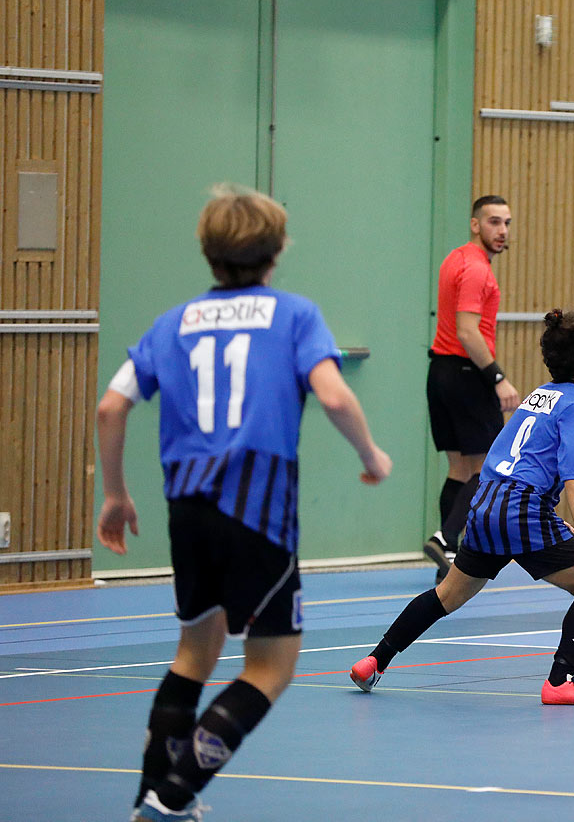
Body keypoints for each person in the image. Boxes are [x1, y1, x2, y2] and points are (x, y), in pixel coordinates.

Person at [96, 184, 392, 822]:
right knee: (271, 666)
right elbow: (335, 397)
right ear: (277, 250)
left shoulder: (170, 323)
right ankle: (172, 797)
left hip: (186, 507)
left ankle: (152, 797)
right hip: (257, 508)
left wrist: (116, 493)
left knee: (193, 654)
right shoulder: (294, 315)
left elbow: (110, 406)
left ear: (207, 251)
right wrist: (372, 456)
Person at [351, 310, 574, 706]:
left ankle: (374, 661)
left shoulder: (538, 397)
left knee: (447, 594)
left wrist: (553, 518)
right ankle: (561, 682)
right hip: (520, 510)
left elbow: (514, 458)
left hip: (486, 503)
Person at [423, 196, 520, 582]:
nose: (502, 231)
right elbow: (467, 331)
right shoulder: (478, 269)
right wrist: (498, 378)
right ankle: (444, 536)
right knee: (489, 467)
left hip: (441, 372)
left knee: (460, 468)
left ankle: (446, 551)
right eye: (494, 222)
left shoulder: (454, 258)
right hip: (466, 374)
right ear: (475, 224)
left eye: (507, 223)